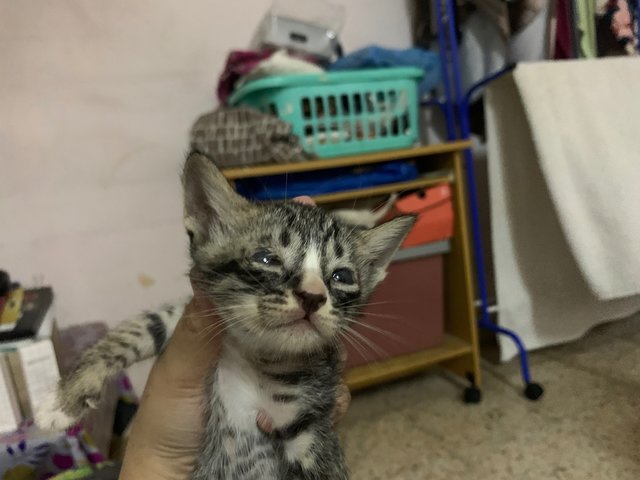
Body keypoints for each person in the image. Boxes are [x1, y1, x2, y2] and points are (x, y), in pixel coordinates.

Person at [119, 197, 350, 480]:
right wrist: (159, 460)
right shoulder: (206, 319)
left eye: (339, 275)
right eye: (270, 259)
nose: (314, 293)